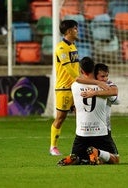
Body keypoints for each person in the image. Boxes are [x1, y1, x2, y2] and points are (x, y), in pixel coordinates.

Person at [49, 20, 107, 156]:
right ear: (68, 31)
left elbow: (76, 69)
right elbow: (70, 71)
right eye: (75, 28)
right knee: (60, 117)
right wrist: (92, 82)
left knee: (82, 116)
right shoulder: (61, 48)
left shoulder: (73, 46)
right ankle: (53, 146)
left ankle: (86, 145)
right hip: (64, 88)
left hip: (76, 86)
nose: (77, 31)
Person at [57, 57, 119, 166]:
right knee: (115, 159)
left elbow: (77, 79)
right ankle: (97, 152)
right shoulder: (104, 86)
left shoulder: (74, 86)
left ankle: (76, 158)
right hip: (100, 132)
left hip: (82, 133)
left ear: (81, 71)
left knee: (80, 156)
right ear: (94, 69)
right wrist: (97, 87)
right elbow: (114, 92)